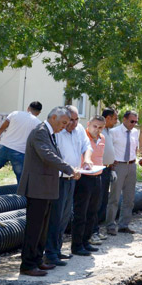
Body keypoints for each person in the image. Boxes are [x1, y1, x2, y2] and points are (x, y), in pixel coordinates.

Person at [18, 106, 80, 277]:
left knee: (43, 228)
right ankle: (28, 264)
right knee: (34, 228)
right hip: (37, 187)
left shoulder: (49, 133)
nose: (64, 126)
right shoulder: (40, 131)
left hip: (45, 187)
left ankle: (38, 260)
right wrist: (69, 169)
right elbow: (47, 155)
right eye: (63, 122)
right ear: (53, 117)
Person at [44, 106, 93, 266]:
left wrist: (87, 159)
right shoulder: (57, 132)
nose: (73, 123)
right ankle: (50, 253)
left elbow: (87, 146)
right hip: (58, 179)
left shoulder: (79, 130)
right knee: (55, 217)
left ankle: (57, 250)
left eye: (76, 119)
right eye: (70, 120)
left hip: (72, 178)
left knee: (65, 216)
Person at [0, 101, 42, 188]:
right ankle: (22, 197)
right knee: (21, 176)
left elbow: (1, 128)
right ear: (39, 112)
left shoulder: (15, 114)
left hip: (3, 147)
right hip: (19, 152)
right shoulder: (38, 123)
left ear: (28, 108)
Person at [70, 115, 106, 256]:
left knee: (92, 212)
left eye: (100, 127)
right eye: (95, 126)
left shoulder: (103, 139)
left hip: (97, 176)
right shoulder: (82, 137)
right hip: (83, 178)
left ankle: (86, 241)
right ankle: (77, 245)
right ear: (89, 124)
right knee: (81, 213)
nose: (97, 130)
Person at [105, 110, 139, 235]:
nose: (134, 124)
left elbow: (135, 148)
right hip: (118, 166)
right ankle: (110, 225)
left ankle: (124, 225)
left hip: (131, 165)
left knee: (129, 198)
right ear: (124, 119)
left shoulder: (135, 132)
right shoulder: (114, 132)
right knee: (114, 197)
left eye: (136, 121)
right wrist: (112, 166)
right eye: (131, 121)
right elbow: (108, 148)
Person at [90, 108, 118, 245]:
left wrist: (112, 167)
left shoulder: (107, 132)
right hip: (97, 170)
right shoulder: (97, 133)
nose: (116, 121)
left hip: (106, 170)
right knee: (96, 202)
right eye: (114, 118)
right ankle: (92, 232)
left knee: (102, 202)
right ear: (107, 118)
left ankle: (96, 229)